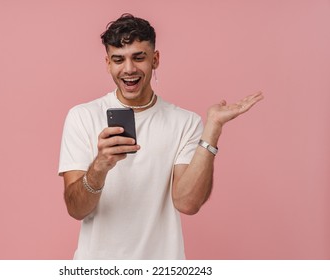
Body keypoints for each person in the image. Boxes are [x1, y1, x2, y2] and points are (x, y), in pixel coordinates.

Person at [58, 14, 263, 259]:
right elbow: (76, 209)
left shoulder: (184, 122)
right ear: (107, 63)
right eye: (118, 59)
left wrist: (213, 128)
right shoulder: (82, 117)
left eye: (139, 57)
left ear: (155, 59)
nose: (129, 69)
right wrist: (100, 166)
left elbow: (187, 203)